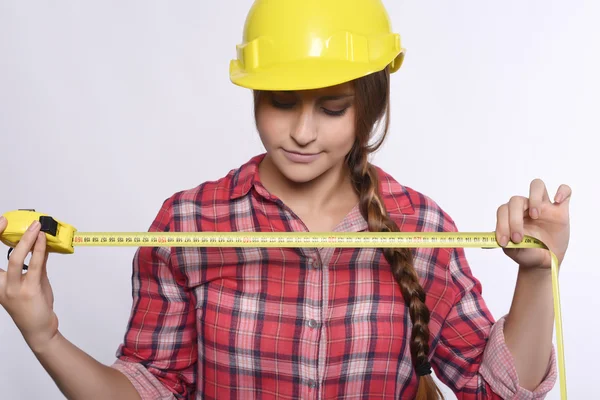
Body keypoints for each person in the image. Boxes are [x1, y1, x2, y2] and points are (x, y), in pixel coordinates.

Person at [0, 0, 572, 399]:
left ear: (368, 105)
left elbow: (496, 392)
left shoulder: (420, 226)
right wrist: (45, 337)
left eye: (332, 108)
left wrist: (538, 275)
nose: (301, 132)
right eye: (281, 101)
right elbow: (146, 392)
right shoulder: (189, 223)